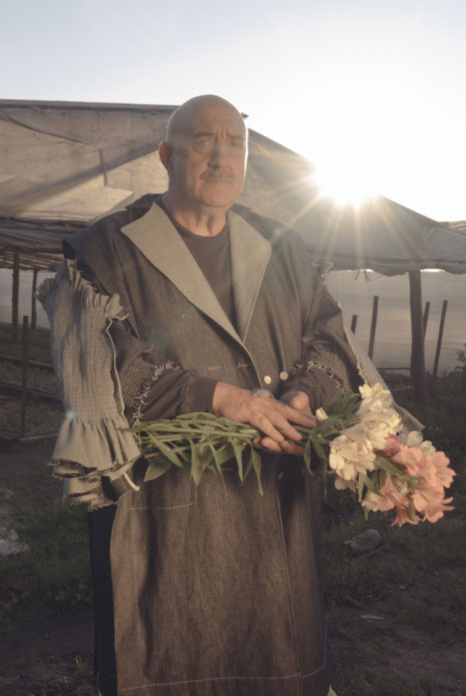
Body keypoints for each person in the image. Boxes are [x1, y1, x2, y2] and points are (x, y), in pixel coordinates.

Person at [62, 95, 362, 696]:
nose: (222, 156)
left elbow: (329, 341)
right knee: (174, 648)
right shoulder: (107, 251)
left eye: (235, 143)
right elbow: (98, 374)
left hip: (276, 496)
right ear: (167, 155)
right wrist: (220, 398)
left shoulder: (284, 247)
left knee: (277, 647)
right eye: (203, 141)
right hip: (169, 512)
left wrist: (303, 397)